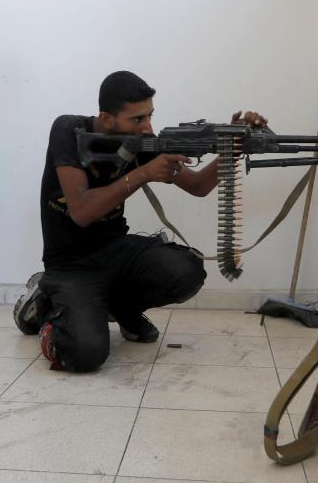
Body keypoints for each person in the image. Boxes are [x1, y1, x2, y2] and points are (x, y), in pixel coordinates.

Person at [14, 70, 266, 371]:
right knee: (85, 355)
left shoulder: (143, 143)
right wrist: (143, 174)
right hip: (70, 265)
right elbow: (81, 211)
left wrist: (232, 146)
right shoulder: (68, 130)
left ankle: (123, 307)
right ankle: (45, 302)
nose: (148, 128)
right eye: (137, 119)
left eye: (150, 116)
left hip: (117, 251)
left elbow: (198, 186)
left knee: (185, 271)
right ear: (107, 119)